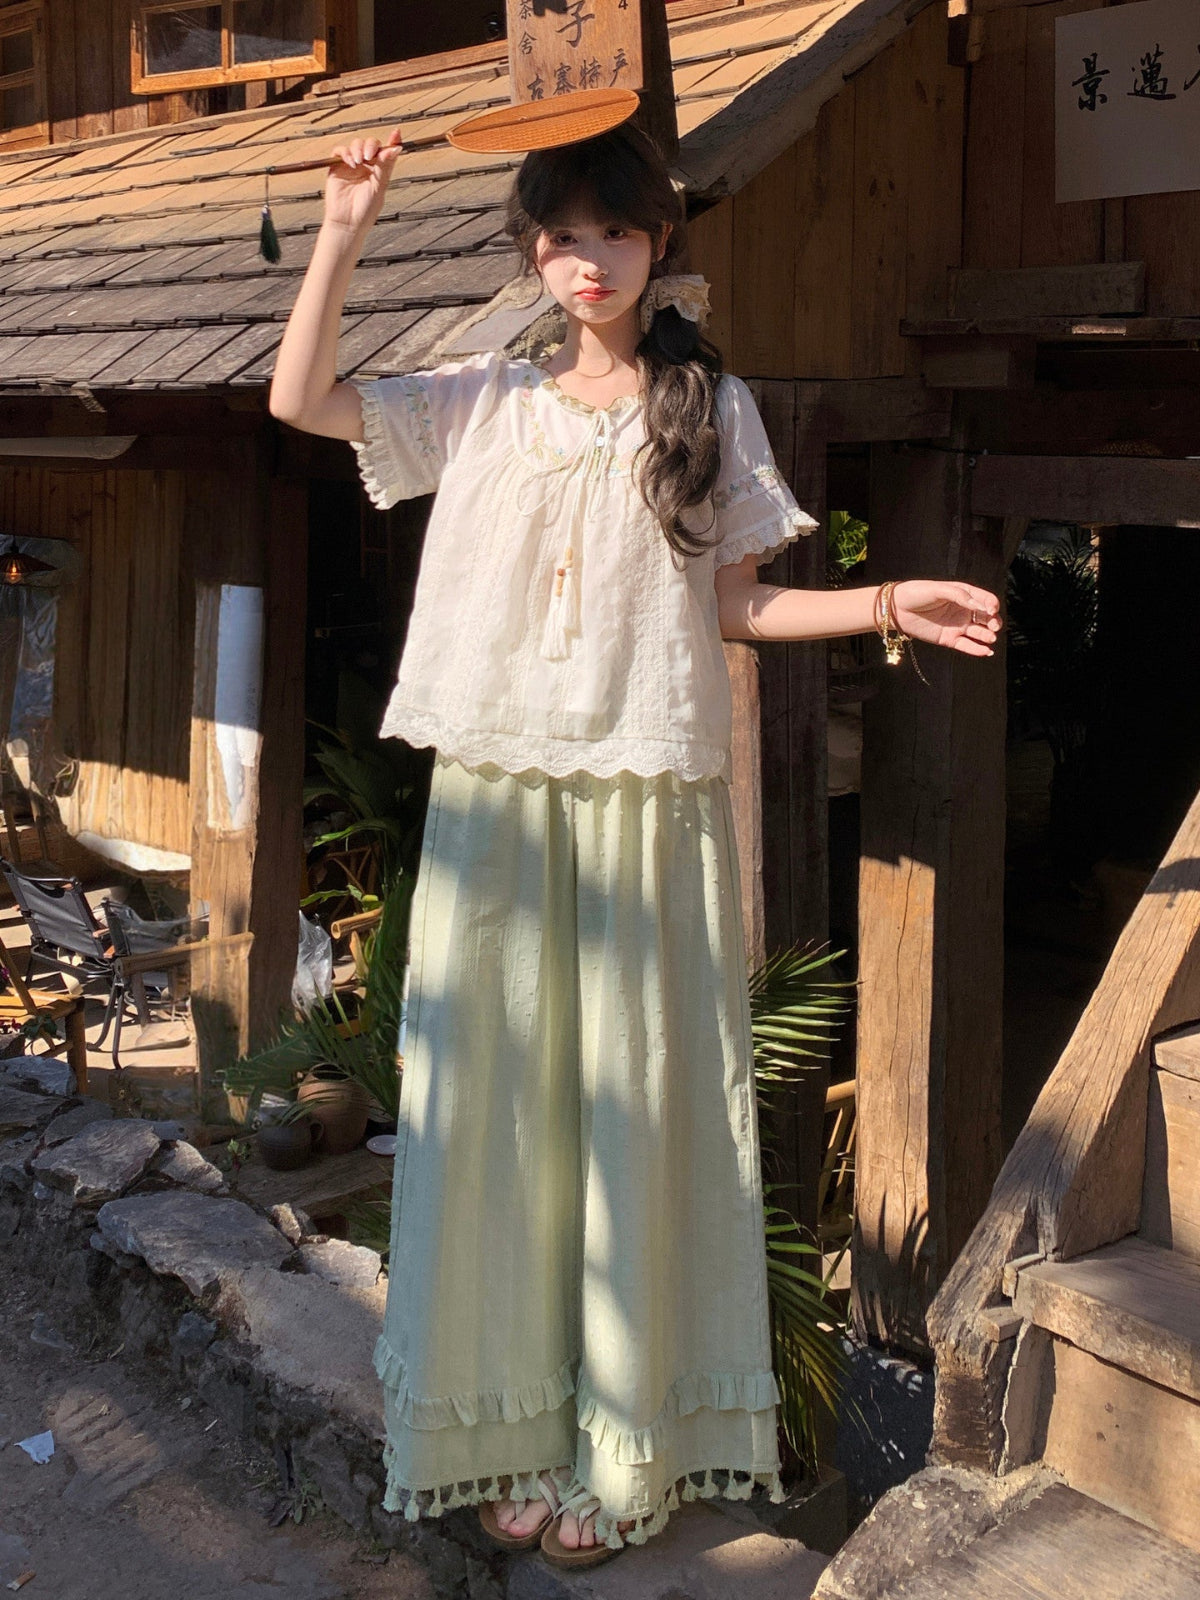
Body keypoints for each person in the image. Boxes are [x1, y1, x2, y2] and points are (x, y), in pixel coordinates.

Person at [269, 119, 1002, 1571]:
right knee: (492, 1113)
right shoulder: (479, 399)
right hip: (496, 794)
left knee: (633, 1119)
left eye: (612, 231)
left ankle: (621, 1449)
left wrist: (880, 600)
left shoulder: (707, 410)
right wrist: (345, 225)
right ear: (532, 256)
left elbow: (735, 605)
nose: (585, 260)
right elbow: (300, 400)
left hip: (645, 799)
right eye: (559, 236)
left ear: (659, 244)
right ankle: (505, 1429)